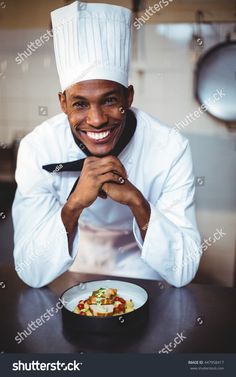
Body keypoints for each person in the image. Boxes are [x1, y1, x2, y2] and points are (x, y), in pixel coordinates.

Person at [12, 1, 201, 288]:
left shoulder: (170, 148)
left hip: (148, 275)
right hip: (69, 273)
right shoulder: (37, 148)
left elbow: (183, 269)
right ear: (63, 103)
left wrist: (137, 201)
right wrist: (74, 204)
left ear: (129, 97)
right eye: (80, 104)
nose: (97, 120)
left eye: (110, 100)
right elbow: (31, 271)